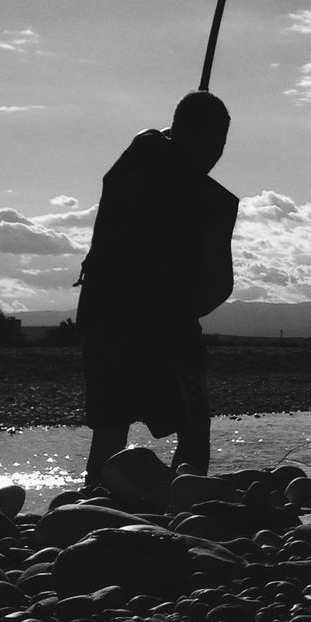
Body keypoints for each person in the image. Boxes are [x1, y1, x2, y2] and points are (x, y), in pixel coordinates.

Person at [75, 90, 238, 485]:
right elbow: (219, 287)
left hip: (104, 323)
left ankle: (97, 506)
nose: (219, 154)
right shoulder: (215, 203)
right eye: (218, 143)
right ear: (211, 140)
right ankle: (187, 508)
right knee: (194, 428)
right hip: (169, 330)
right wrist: (177, 313)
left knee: (110, 428)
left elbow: (155, 137)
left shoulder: (135, 160)